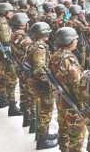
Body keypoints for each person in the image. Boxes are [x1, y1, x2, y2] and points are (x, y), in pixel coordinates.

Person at [50, 27, 86, 152]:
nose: (76, 42)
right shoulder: (69, 59)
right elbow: (76, 85)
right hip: (72, 103)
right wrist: (83, 103)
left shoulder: (54, 56)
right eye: (74, 40)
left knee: (63, 128)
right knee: (76, 135)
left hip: (61, 100)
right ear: (68, 42)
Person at [26, 22, 58, 150]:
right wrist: (51, 82)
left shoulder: (35, 45)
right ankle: (42, 140)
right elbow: (40, 70)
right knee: (45, 111)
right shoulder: (40, 47)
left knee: (45, 111)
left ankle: (44, 133)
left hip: (39, 84)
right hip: (42, 86)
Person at [0, 3, 24, 115]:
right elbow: (6, 41)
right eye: (10, 11)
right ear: (4, 12)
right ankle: (12, 106)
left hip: (0, 54)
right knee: (11, 80)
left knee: (3, 77)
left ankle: (3, 99)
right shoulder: (3, 24)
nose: (12, 13)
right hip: (6, 55)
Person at [10, 13, 36, 128]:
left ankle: (26, 118)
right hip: (26, 70)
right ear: (22, 23)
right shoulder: (22, 37)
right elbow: (33, 50)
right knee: (33, 95)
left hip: (20, 68)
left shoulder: (13, 34)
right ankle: (34, 123)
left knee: (24, 93)